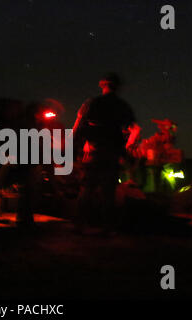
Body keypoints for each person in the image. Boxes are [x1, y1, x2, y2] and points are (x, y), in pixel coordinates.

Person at [72, 73, 138, 233]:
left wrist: (73, 147)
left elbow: (79, 125)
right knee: (108, 191)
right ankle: (107, 226)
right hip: (112, 152)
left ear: (102, 85)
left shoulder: (92, 103)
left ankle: (80, 224)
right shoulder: (122, 105)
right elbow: (131, 127)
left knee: (87, 187)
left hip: (93, 151)